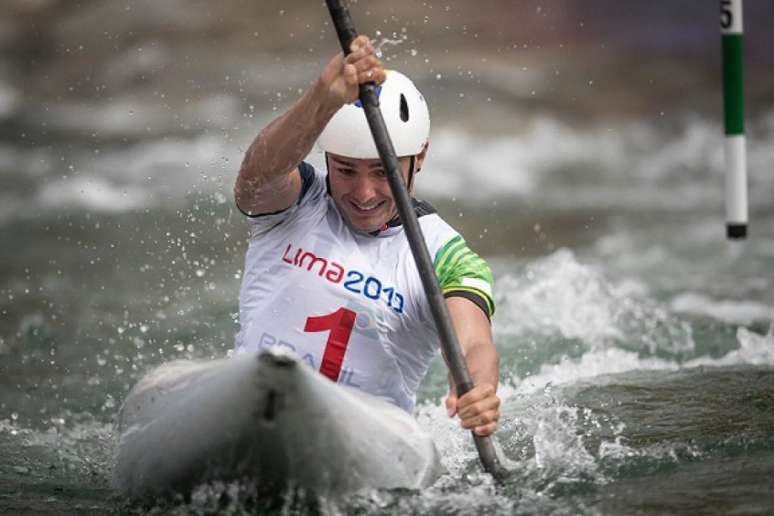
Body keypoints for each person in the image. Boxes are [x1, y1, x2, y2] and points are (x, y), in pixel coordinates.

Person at [233, 36, 500, 436]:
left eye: (381, 172)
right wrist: (320, 101)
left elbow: (473, 343)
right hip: (250, 405)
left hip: (364, 441)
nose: (363, 194)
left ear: (420, 156)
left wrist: (477, 387)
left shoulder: (446, 255)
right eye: (345, 170)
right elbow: (256, 177)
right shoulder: (299, 201)